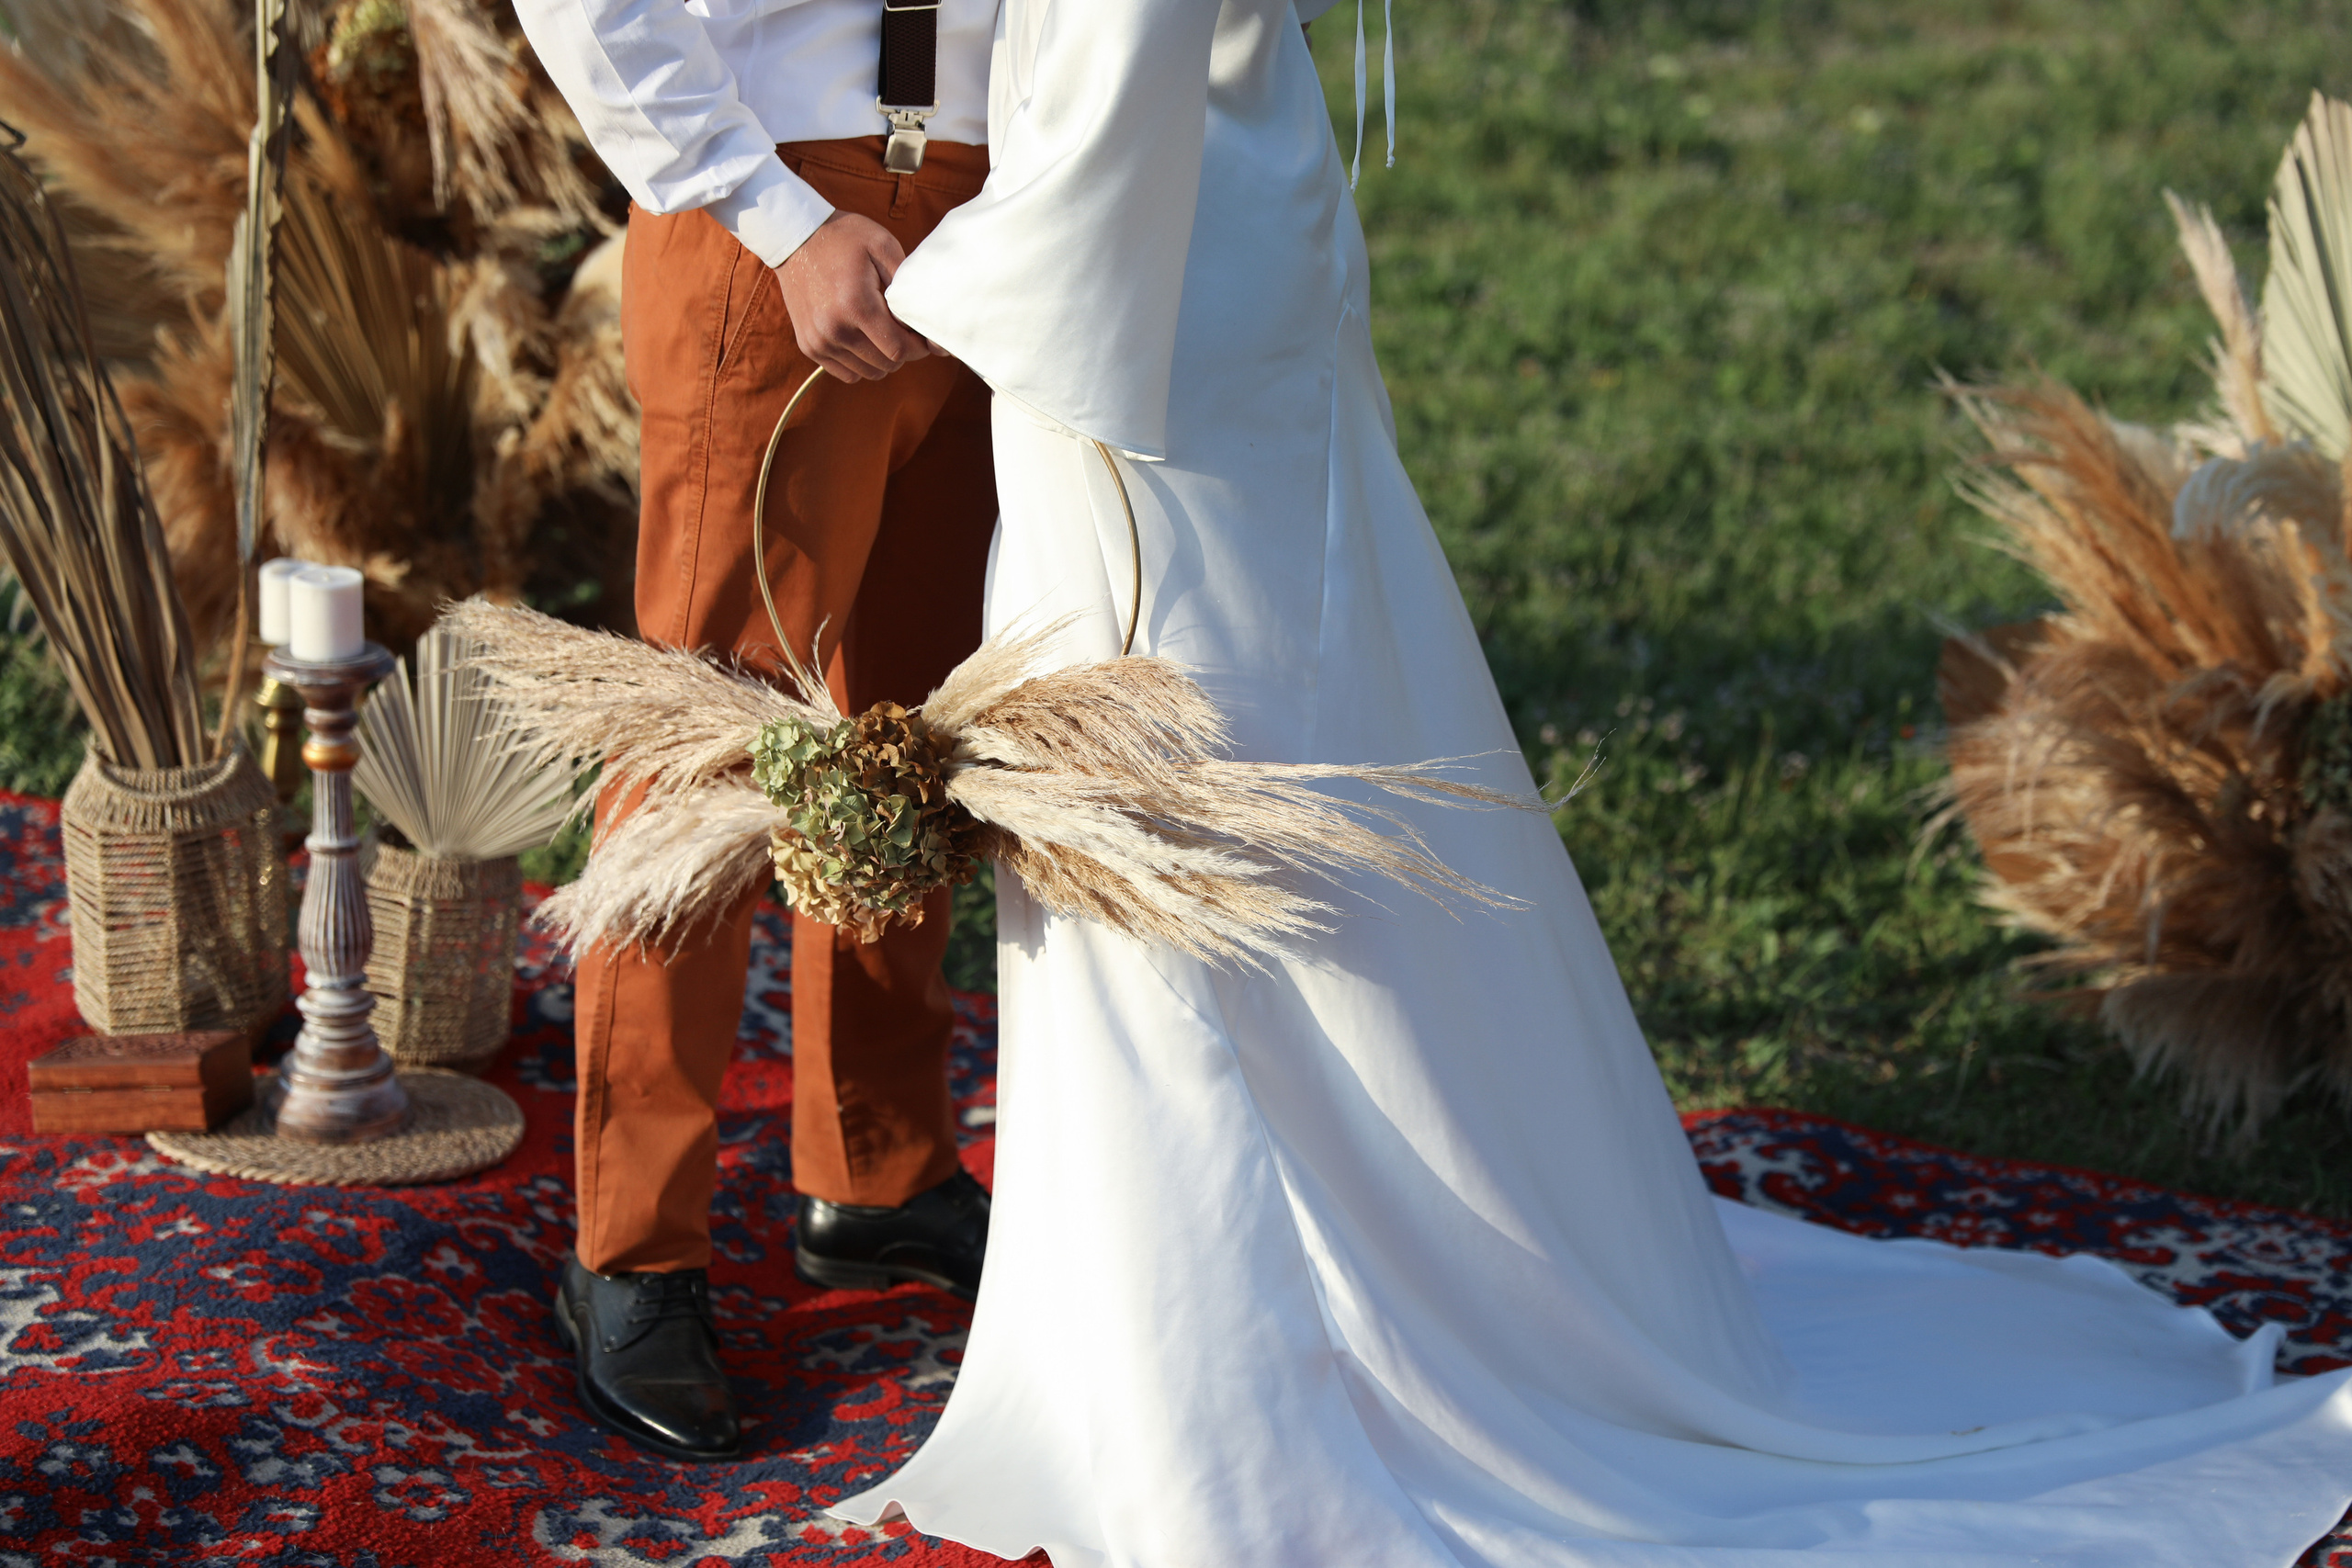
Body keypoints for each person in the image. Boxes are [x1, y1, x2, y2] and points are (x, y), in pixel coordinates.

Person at [811, 1, 2352, 1562]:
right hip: (1212, 260)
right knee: (1268, 758)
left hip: (1137, 325)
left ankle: (1234, 1373)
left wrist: (930, 287)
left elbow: (1113, 102)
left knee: (1179, 789)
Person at [513, 0, 1001, 1462]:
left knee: (919, 731)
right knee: (707, 758)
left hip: (995, 207)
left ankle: (877, 1163)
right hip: (772, 194)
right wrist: (778, 214)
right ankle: (634, 1249)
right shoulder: (771, 205)